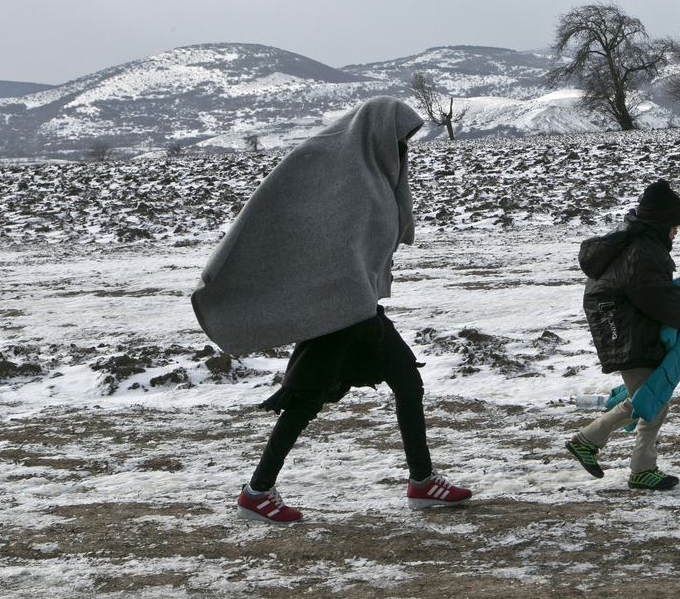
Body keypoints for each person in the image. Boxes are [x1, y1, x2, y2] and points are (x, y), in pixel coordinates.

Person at [191, 97, 472, 524]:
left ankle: (422, 482)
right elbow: (289, 221)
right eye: (399, 135)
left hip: (360, 306)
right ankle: (257, 492)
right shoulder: (321, 160)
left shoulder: (377, 168)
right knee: (305, 401)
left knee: (406, 380)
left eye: (407, 139)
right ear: (376, 129)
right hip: (332, 308)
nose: (402, 145)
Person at [565, 179, 680, 490]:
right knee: (651, 401)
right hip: (627, 333)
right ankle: (600, 447)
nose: (676, 232)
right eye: (674, 225)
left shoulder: (638, 242)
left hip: (627, 329)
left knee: (651, 399)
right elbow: (654, 295)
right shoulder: (642, 249)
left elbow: (651, 291)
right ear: (662, 222)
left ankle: (627, 459)